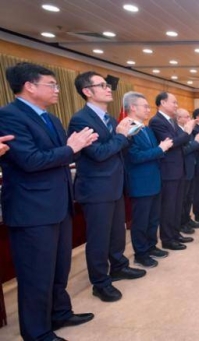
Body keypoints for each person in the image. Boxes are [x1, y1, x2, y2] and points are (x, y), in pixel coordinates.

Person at [0, 62, 97, 340]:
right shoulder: (9, 116)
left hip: (58, 205)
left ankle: (60, 313)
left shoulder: (49, 117)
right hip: (32, 209)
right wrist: (71, 147)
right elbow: (30, 161)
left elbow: (64, 155)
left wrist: (76, 148)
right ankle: (37, 332)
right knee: (35, 274)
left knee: (58, 268)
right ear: (29, 86)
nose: (57, 89)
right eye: (51, 84)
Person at [68, 71, 146, 303]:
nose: (107, 88)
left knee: (117, 232)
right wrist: (122, 136)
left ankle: (119, 265)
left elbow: (117, 149)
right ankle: (100, 282)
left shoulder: (110, 119)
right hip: (96, 188)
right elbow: (99, 154)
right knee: (99, 237)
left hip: (114, 184)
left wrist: (128, 135)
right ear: (87, 91)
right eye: (101, 85)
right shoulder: (81, 119)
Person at [123, 92, 174, 269]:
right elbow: (134, 157)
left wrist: (160, 149)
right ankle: (141, 253)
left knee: (153, 219)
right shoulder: (127, 129)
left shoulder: (146, 128)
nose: (148, 109)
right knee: (141, 221)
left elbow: (154, 151)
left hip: (154, 179)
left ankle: (151, 246)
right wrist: (161, 149)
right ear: (133, 108)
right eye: (145, 106)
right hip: (140, 182)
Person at [149, 92, 197, 251]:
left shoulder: (171, 121)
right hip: (168, 171)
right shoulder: (156, 121)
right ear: (162, 102)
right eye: (174, 103)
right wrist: (187, 132)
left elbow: (180, 142)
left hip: (179, 168)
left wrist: (183, 135)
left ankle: (175, 234)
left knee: (177, 205)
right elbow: (172, 143)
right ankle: (168, 239)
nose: (176, 106)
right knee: (169, 206)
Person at [176, 108, 199, 234]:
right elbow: (183, 151)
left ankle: (187, 219)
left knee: (189, 197)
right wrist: (197, 141)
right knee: (183, 198)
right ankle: (182, 223)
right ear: (179, 119)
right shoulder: (179, 132)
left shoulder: (186, 131)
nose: (189, 119)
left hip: (191, 166)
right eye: (187, 117)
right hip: (183, 168)